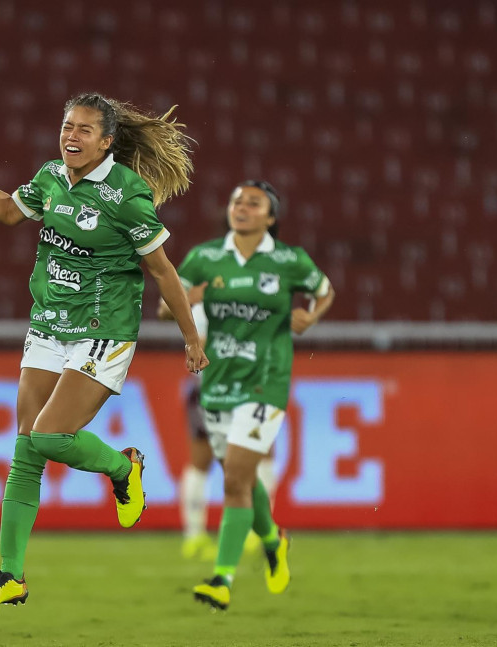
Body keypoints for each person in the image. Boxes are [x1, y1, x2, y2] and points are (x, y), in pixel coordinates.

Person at [0, 92, 209, 613]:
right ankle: (10, 575)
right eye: (68, 125)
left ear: (107, 141)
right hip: (48, 324)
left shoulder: (127, 196)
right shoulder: (49, 178)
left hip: (102, 331)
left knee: (49, 435)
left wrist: (191, 338)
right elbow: (4, 211)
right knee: (27, 445)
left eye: (86, 129)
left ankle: (122, 467)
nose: (72, 135)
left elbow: (163, 272)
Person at [160, 180, 334, 611]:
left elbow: (325, 290)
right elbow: (166, 308)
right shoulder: (205, 257)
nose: (242, 207)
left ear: (270, 217)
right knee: (241, 478)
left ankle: (222, 578)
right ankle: (274, 540)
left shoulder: (290, 260)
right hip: (217, 383)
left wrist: (309, 317)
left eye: (254, 203)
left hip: (266, 381)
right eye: (237, 200)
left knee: (235, 478)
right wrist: (185, 300)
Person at [176, 301, 279, 561]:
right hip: (213, 392)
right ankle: (194, 536)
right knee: (202, 461)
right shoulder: (203, 310)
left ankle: (256, 529)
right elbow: (196, 349)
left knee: (262, 456)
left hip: (246, 391)